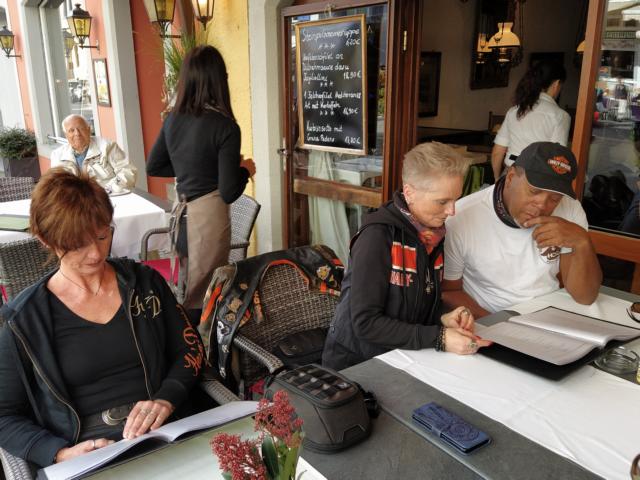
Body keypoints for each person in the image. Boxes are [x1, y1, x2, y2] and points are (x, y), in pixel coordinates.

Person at [0, 169, 204, 467]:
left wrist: (166, 398)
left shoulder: (144, 284)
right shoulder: (23, 321)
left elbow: (190, 348)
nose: (96, 253)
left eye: (102, 235)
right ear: (45, 240)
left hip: (166, 431)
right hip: (88, 453)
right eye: (78, 244)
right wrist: (59, 453)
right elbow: (4, 415)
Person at [322, 142, 491, 371]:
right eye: (442, 201)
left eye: (456, 199)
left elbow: (415, 303)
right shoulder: (377, 237)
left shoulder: (432, 234)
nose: (452, 211)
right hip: (357, 365)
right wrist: (439, 337)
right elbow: (366, 324)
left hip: (404, 357)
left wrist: (442, 318)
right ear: (409, 192)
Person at [147, 45, 256, 312]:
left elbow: (154, 165)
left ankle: (184, 334)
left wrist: (191, 169)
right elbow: (229, 191)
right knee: (207, 292)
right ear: (219, 80)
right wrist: (245, 170)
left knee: (185, 285)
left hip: (181, 215)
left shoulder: (173, 120)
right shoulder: (225, 126)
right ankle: (202, 337)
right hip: (207, 218)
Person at [443, 142, 602, 317]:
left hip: (548, 316)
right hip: (488, 317)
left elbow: (585, 297)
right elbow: (450, 292)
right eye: (534, 191)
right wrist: (497, 324)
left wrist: (582, 242)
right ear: (511, 177)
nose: (542, 205)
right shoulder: (462, 218)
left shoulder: (570, 209)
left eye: (554, 198)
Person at [491, 60, 570, 181]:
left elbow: (498, 152)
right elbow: (557, 159)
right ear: (556, 84)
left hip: (509, 175)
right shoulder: (560, 116)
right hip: (536, 179)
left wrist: (497, 180)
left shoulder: (514, 111)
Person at [51, 114, 137, 194]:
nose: (77, 133)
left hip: (108, 197)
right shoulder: (57, 155)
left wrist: (110, 189)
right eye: (71, 130)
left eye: (81, 128)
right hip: (74, 200)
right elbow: (56, 184)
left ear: (89, 130)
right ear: (66, 135)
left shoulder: (107, 146)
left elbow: (128, 171)